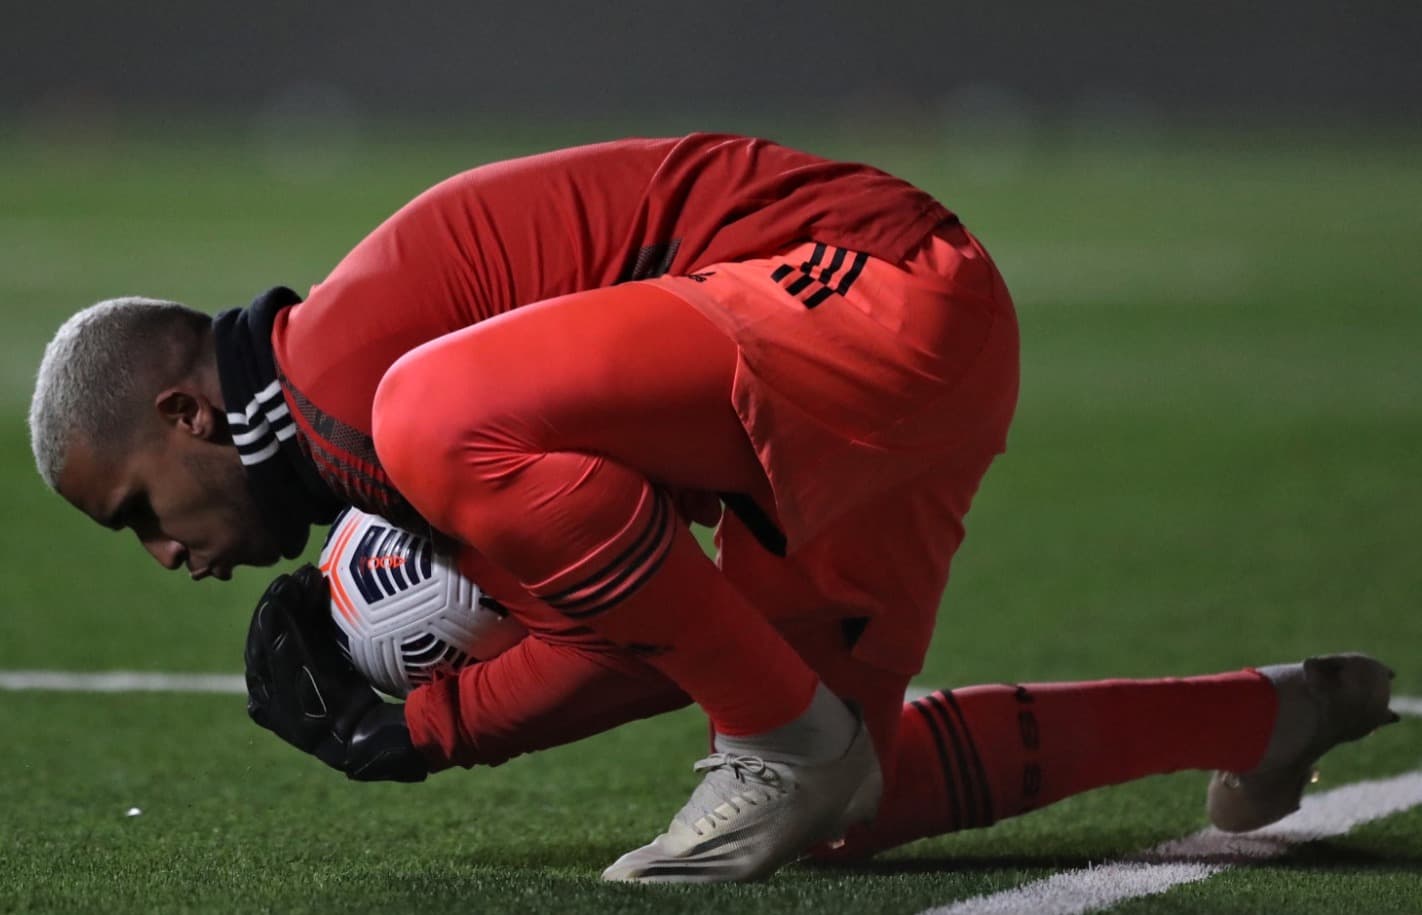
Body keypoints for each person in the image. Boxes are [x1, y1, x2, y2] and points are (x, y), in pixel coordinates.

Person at [29, 134, 1396, 883]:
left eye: (138, 512)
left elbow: (627, 621)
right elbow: (660, 634)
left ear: (190, 417)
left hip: (860, 291)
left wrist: (443, 719)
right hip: (892, 364)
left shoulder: (343, 385)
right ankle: (1268, 714)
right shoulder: (351, 408)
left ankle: (784, 743)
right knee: (844, 800)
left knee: (434, 414)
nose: (165, 557)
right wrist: (422, 732)